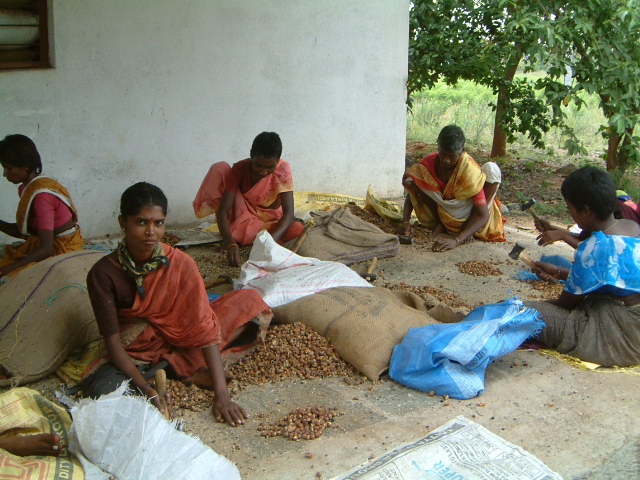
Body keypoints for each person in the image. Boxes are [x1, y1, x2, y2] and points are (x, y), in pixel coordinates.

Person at [85, 182, 272, 426]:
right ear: (123, 223)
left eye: (158, 223)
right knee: (101, 389)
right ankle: (176, 371)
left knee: (251, 302)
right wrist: (145, 389)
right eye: (141, 222)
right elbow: (112, 342)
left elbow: (204, 328)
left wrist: (222, 396)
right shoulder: (103, 273)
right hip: (137, 352)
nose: (151, 231)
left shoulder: (180, 263)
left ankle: (178, 369)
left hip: (181, 339)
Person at [525, 166, 640, 366]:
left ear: (586, 210)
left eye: (570, 208)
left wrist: (533, 305)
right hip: (632, 317)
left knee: (518, 311)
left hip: (623, 335)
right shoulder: (633, 227)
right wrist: (561, 273)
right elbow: (613, 277)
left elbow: (565, 305)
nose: (569, 213)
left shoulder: (592, 249)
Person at [193, 131, 304, 266]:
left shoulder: (283, 168)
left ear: (278, 160)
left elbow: (289, 213)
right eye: (259, 165)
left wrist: (270, 242)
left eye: (270, 167)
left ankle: (247, 237)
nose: (263, 172)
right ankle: (240, 237)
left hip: (270, 220)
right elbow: (223, 210)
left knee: (296, 229)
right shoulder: (240, 168)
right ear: (252, 155)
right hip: (244, 215)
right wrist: (229, 243)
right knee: (221, 168)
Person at [400, 125, 505, 251]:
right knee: (413, 179)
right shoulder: (428, 163)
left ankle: (466, 230)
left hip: (468, 215)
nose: (446, 160)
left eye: (452, 156)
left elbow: (483, 215)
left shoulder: (469, 171)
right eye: (443, 153)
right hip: (444, 212)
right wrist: (405, 222)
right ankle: (442, 223)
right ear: (438, 147)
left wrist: (457, 239)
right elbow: (412, 192)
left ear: (461, 152)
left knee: (491, 169)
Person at [0, 134, 83, 278]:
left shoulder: (42, 197)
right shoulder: (28, 188)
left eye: (9, 168)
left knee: (15, 274)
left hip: (61, 249)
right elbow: (29, 230)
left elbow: (46, 249)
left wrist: (8, 269)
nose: (4, 174)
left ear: (25, 166)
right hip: (47, 242)